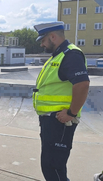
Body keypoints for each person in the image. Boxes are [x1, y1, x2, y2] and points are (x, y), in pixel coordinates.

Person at [33, 21, 89, 181]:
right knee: (51, 167)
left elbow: (83, 84)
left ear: (53, 37)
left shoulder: (71, 54)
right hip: (51, 122)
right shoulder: (58, 56)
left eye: (43, 40)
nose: (42, 44)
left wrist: (71, 113)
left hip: (60, 121)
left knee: (53, 168)